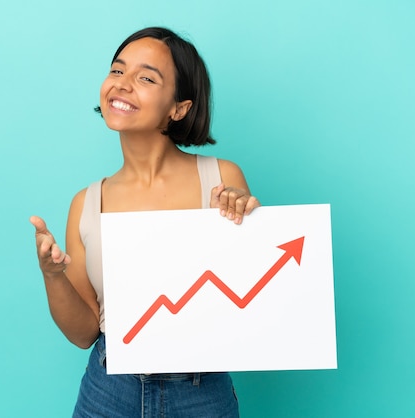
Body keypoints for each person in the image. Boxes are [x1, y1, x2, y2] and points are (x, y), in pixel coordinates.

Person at [30, 27, 260, 417]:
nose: (123, 85)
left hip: (201, 391)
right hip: (109, 389)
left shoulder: (222, 179)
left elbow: (251, 297)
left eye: (146, 78)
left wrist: (244, 219)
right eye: (117, 71)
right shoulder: (86, 203)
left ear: (179, 108)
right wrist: (52, 275)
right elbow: (83, 332)